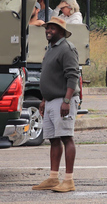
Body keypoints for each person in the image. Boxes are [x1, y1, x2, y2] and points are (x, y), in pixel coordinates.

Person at [31, 17, 81, 193]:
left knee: (66, 137)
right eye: (47, 28)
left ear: (61, 31)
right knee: (53, 139)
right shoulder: (51, 49)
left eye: (53, 28)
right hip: (51, 100)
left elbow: (73, 75)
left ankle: (69, 180)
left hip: (63, 100)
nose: (48, 30)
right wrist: (44, 100)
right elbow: (49, 76)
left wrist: (67, 100)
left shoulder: (67, 49)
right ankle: (53, 178)